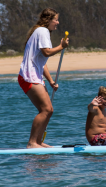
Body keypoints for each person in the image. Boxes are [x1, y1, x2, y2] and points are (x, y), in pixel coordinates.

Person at [18, 8, 69, 148]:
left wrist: (51, 81)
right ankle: (32, 143)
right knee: (45, 110)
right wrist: (61, 46)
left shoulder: (41, 32)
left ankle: (38, 142)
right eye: (56, 19)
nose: (57, 23)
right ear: (48, 20)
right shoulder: (43, 31)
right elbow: (46, 52)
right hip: (29, 76)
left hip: (34, 76)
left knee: (49, 110)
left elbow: (42, 62)